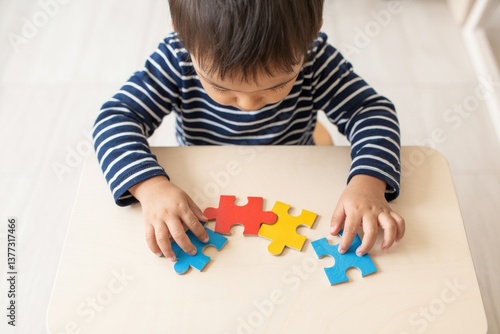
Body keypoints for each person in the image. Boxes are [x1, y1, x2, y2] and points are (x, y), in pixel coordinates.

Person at [92, 0, 405, 262]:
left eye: (276, 86)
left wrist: (368, 185)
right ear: (180, 31)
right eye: (221, 87)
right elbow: (116, 117)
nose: (248, 104)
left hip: (293, 177)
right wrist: (150, 187)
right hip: (208, 186)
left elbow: (371, 112)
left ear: (313, 32)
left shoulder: (315, 59)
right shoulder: (177, 57)